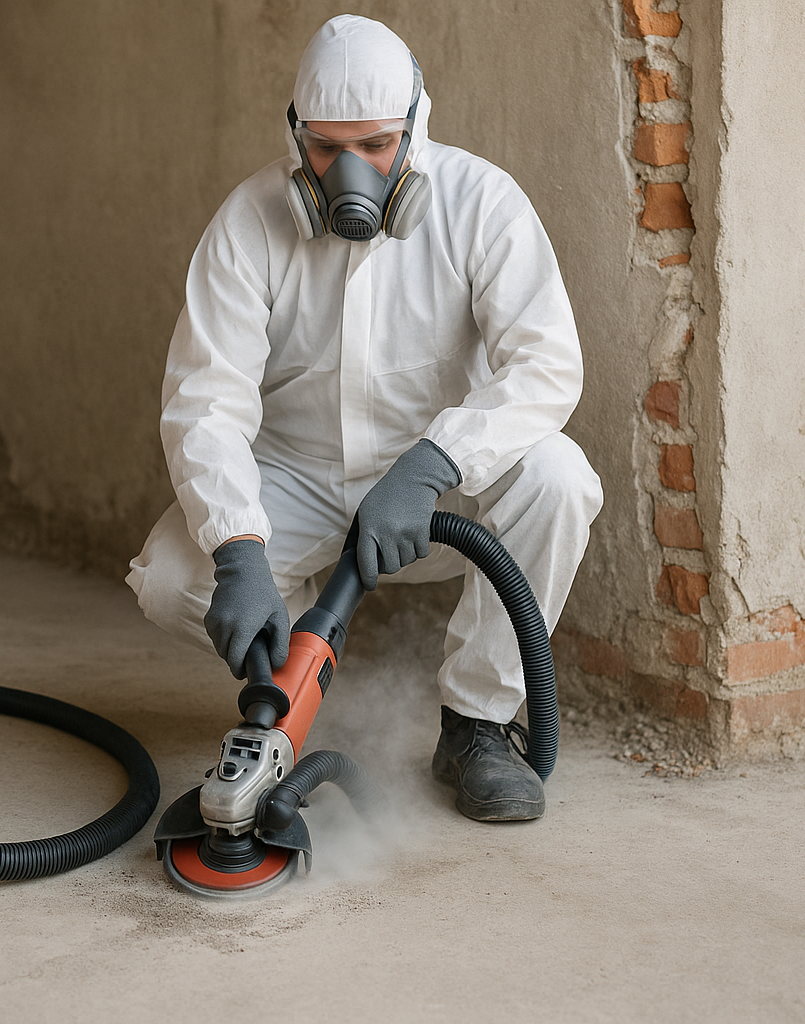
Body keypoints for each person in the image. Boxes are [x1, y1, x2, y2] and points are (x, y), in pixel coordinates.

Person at [126, 14, 602, 822]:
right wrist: (240, 551)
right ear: (296, 137)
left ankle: (477, 725)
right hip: (300, 481)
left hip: (437, 496)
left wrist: (433, 463)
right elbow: (207, 400)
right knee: (174, 581)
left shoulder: (481, 204)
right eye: (325, 147)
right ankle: (288, 660)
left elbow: (547, 365)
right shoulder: (248, 225)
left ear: (416, 128)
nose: (351, 171)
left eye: (377, 145)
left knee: (560, 478)